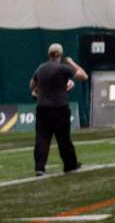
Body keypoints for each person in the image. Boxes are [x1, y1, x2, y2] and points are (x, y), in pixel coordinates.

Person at [29, 43, 87, 176]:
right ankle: (70, 165)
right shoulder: (63, 68)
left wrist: (40, 90)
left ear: (49, 54)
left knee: (42, 138)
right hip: (59, 108)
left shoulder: (41, 68)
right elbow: (84, 76)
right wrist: (71, 62)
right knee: (63, 138)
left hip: (42, 108)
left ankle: (39, 167)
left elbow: (31, 85)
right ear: (60, 54)